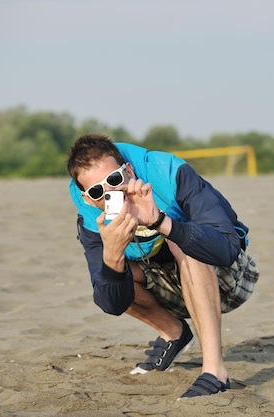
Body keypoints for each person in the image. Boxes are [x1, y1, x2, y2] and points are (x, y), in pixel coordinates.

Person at [66, 134, 259, 398]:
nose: (111, 193)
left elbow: (226, 249)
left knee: (182, 242)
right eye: (98, 191)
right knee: (113, 270)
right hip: (171, 289)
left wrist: (160, 221)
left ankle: (215, 371)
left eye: (114, 180)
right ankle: (174, 332)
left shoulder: (168, 173)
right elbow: (112, 304)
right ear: (87, 198)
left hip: (231, 279)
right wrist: (112, 255)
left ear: (129, 170)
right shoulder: (91, 219)